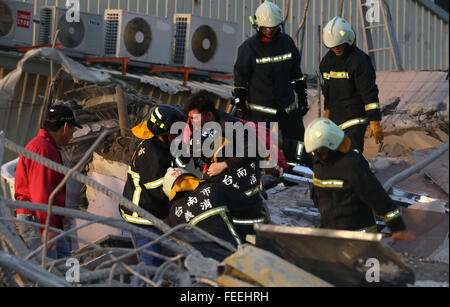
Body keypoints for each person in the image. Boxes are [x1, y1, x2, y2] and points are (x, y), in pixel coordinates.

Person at [304, 118, 415, 243]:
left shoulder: (351, 164)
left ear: (331, 144)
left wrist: (397, 227)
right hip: (332, 231)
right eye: (316, 151)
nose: (318, 154)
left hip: (359, 233)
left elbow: (376, 195)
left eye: (320, 150)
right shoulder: (319, 163)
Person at [233, 0, 309, 166]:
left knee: (297, 143)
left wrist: (302, 98)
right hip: (261, 110)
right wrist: (240, 106)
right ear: (258, 26)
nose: (270, 31)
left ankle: (297, 174)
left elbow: (296, 73)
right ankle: (262, 182)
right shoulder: (248, 48)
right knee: (260, 147)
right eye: (267, 28)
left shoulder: (287, 43)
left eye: (274, 27)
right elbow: (240, 81)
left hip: (286, 106)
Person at [183, 91, 268, 233]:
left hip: (241, 178)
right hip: (221, 175)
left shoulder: (230, 126)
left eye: (194, 118)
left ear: (209, 115)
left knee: (240, 219)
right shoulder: (199, 125)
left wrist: (224, 165)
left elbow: (255, 149)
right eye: (190, 118)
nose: (191, 122)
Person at [120, 104, 185, 268]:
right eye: (176, 132)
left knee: (152, 262)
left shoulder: (158, 144)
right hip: (142, 215)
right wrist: (166, 218)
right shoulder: (153, 153)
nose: (180, 135)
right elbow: (158, 191)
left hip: (146, 209)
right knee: (150, 265)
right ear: (163, 133)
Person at [15, 105, 81, 259]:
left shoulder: (45, 146)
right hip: (39, 223)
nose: (72, 134)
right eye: (73, 130)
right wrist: (48, 227)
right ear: (65, 127)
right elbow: (42, 193)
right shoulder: (43, 149)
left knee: (66, 266)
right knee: (48, 270)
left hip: (44, 221)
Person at [320, 16, 384, 154]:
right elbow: (327, 89)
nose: (336, 49)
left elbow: (368, 91)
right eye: (333, 47)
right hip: (336, 117)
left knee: (352, 156)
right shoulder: (326, 62)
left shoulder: (359, 60)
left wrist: (374, 120)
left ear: (348, 40)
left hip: (355, 117)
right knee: (335, 157)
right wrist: (327, 109)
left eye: (339, 45)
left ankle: (357, 175)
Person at [162, 167, 244, 261]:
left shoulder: (175, 211)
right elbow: (246, 202)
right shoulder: (213, 188)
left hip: (206, 262)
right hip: (235, 252)